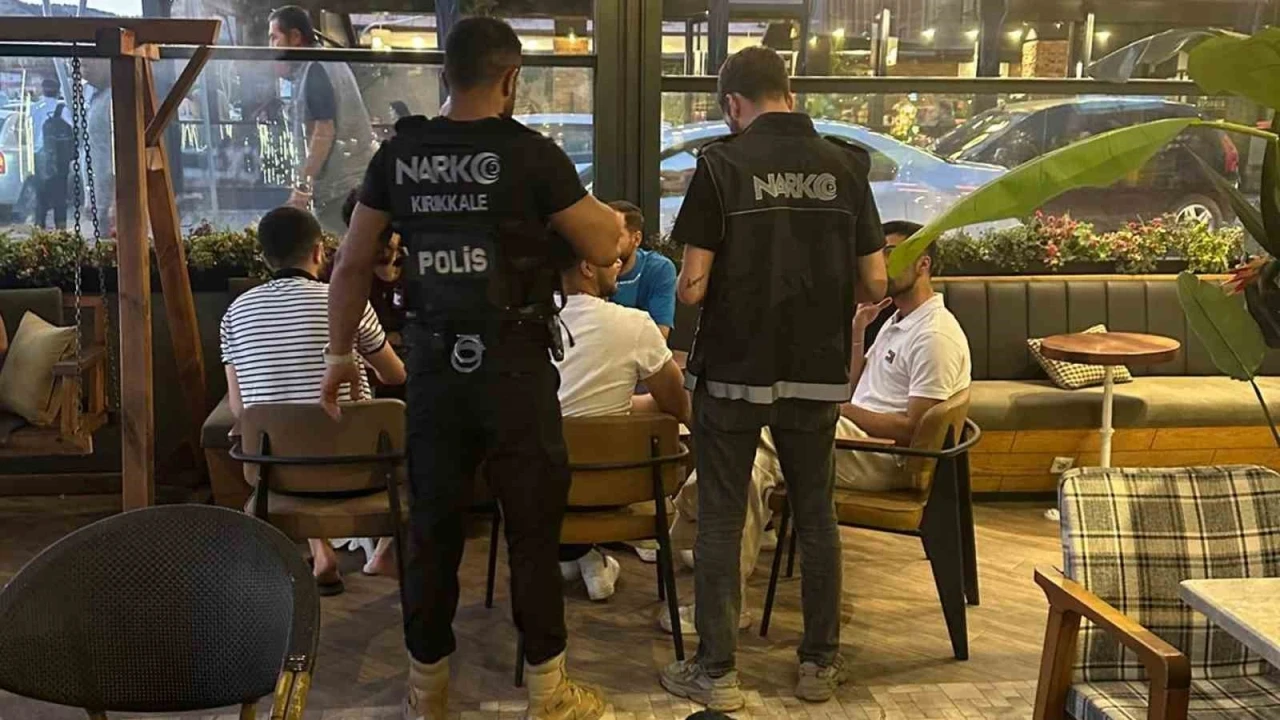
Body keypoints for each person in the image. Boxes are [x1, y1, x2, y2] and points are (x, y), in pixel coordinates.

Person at [322, 17, 622, 720]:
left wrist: (338, 356)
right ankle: (548, 695)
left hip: (433, 367)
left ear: (445, 75)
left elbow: (352, 262)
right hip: (515, 366)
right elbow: (606, 245)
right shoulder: (533, 156)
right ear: (512, 78)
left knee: (433, 530)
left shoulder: (400, 154)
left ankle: (427, 693)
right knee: (533, 529)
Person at [659, 46, 887, 711]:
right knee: (817, 516)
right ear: (788, 92)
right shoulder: (846, 165)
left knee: (722, 518)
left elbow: (692, 287)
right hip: (815, 371)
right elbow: (876, 280)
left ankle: (717, 673)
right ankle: (818, 666)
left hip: (733, 370)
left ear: (734, 103)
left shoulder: (721, 166)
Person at [659, 221, 970, 635]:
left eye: (891, 253)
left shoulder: (934, 335)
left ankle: (693, 527)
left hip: (885, 458)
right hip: (856, 439)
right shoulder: (900, 320)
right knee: (751, 462)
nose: (879, 263)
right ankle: (722, 587)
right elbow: (856, 389)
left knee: (756, 438)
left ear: (924, 264)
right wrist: (857, 333)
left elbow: (915, 431)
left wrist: (838, 407)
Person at [220, 207, 406, 594]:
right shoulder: (347, 302)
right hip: (356, 467)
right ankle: (383, 551)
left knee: (290, 424)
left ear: (265, 258)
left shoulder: (234, 314)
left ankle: (321, 552)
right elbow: (395, 375)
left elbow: (240, 409)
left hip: (277, 472)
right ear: (319, 251)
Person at [552, 231, 690, 601]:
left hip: (539, 491)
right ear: (586, 267)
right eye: (611, 257)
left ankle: (578, 555)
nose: (619, 263)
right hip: (618, 489)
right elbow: (678, 405)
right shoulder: (635, 324)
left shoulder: (521, 327)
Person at [269, 6, 376, 233]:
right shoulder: (327, 62)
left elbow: (324, 131)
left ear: (295, 37)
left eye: (274, 38)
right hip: (354, 182)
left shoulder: (316, 68)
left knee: (339, 248)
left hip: (340, 188)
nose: (270, 47)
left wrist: (303, 186)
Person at [608, 200, 677, 338]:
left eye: (614, 235)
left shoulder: (659, 269)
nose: (606, 242)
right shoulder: (590, 265)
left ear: (636, 239)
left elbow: (659, 336)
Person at [30, 78, 73, 229]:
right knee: (60, 196)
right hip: (58, 158)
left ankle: (39, 227)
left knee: (40, 195)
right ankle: (61, 229)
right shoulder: (61, 109)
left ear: (43, 90)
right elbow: (75, 127)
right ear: (58, 91)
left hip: (37, 155)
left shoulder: (34, 108)